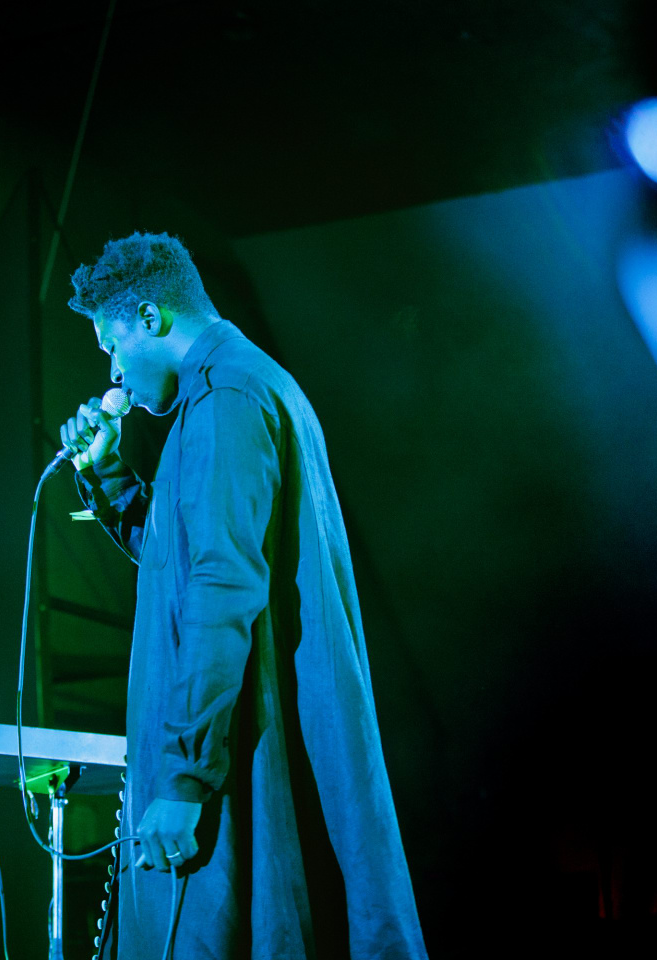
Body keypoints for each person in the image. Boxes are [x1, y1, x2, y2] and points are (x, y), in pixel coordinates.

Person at [60, 232, 426, 958]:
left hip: (231, 752)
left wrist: (184, 776)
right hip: (234, 742)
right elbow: (184, 565)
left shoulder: (227, 397)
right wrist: (105, 475)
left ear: (152, 319)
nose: (112, 369)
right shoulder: (228, 392)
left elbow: (222, 587)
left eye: (111, 343)